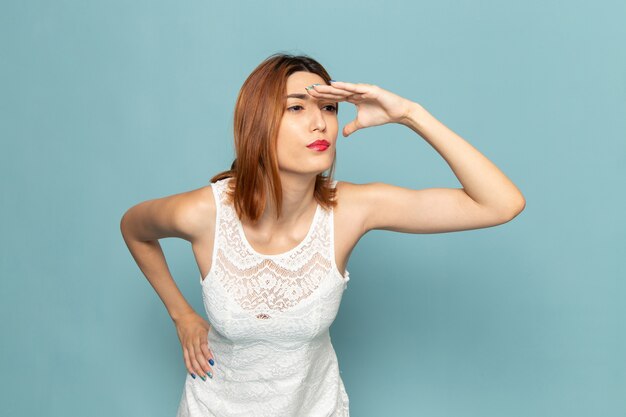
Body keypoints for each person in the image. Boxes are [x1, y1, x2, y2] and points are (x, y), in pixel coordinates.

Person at [120, 52, 525, 417]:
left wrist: (410, 114)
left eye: (329, 108)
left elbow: (500, 204)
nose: (320, 122)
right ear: (258, 122)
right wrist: (182, 316)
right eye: (296, 107)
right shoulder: (203, 212)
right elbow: (134, 228)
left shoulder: (351, 211)